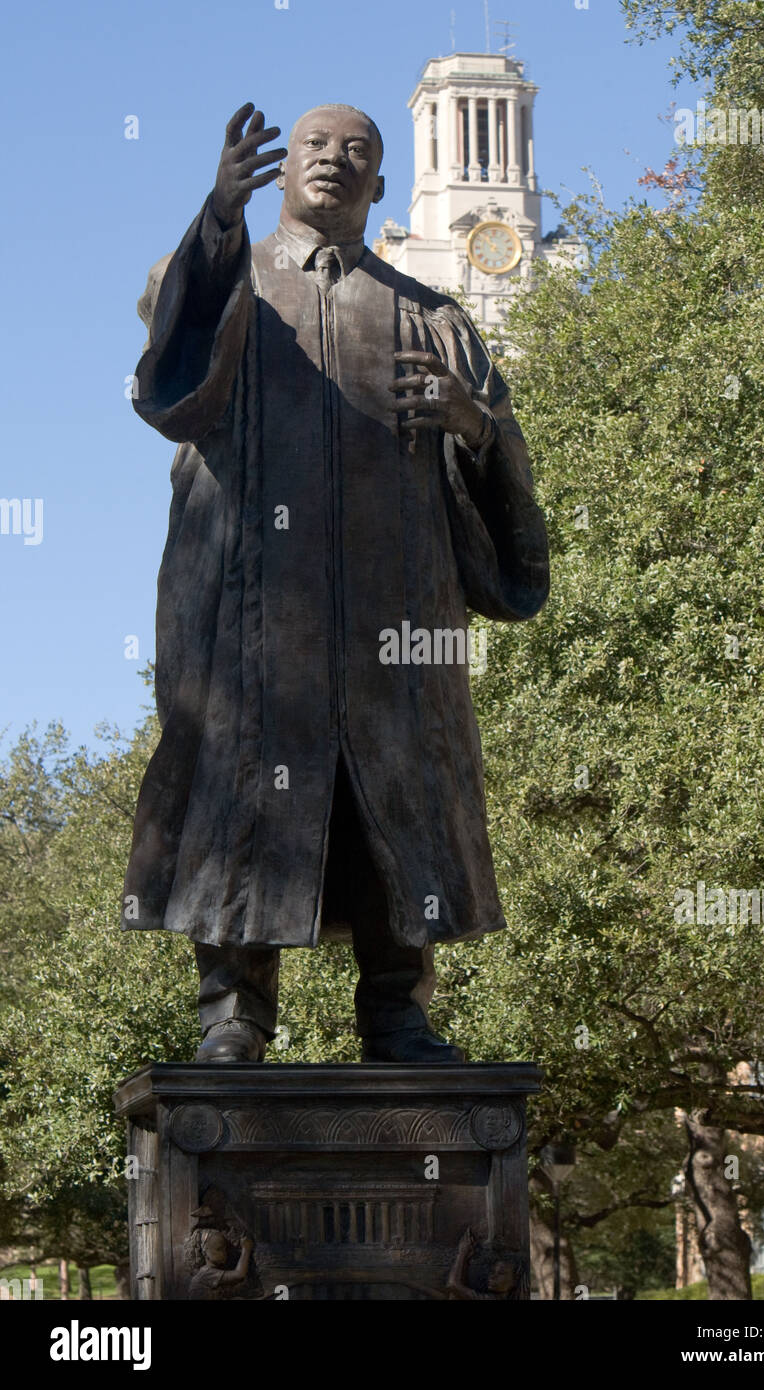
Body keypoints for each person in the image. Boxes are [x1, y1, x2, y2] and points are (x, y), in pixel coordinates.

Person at [123, 101, 549, 1063]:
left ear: (381, 185)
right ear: (279, 174)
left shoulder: (430, 315)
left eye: (357, 151)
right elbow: (169, 376)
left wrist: (472, 424)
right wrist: (218, 221)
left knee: (401, 791)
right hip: (250, 613)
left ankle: (397, 1012)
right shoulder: (223, 280)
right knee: (239, 787)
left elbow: (505, 475)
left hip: (398, 620)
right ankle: (233, 1012)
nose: (334, 160)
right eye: (315, 147)